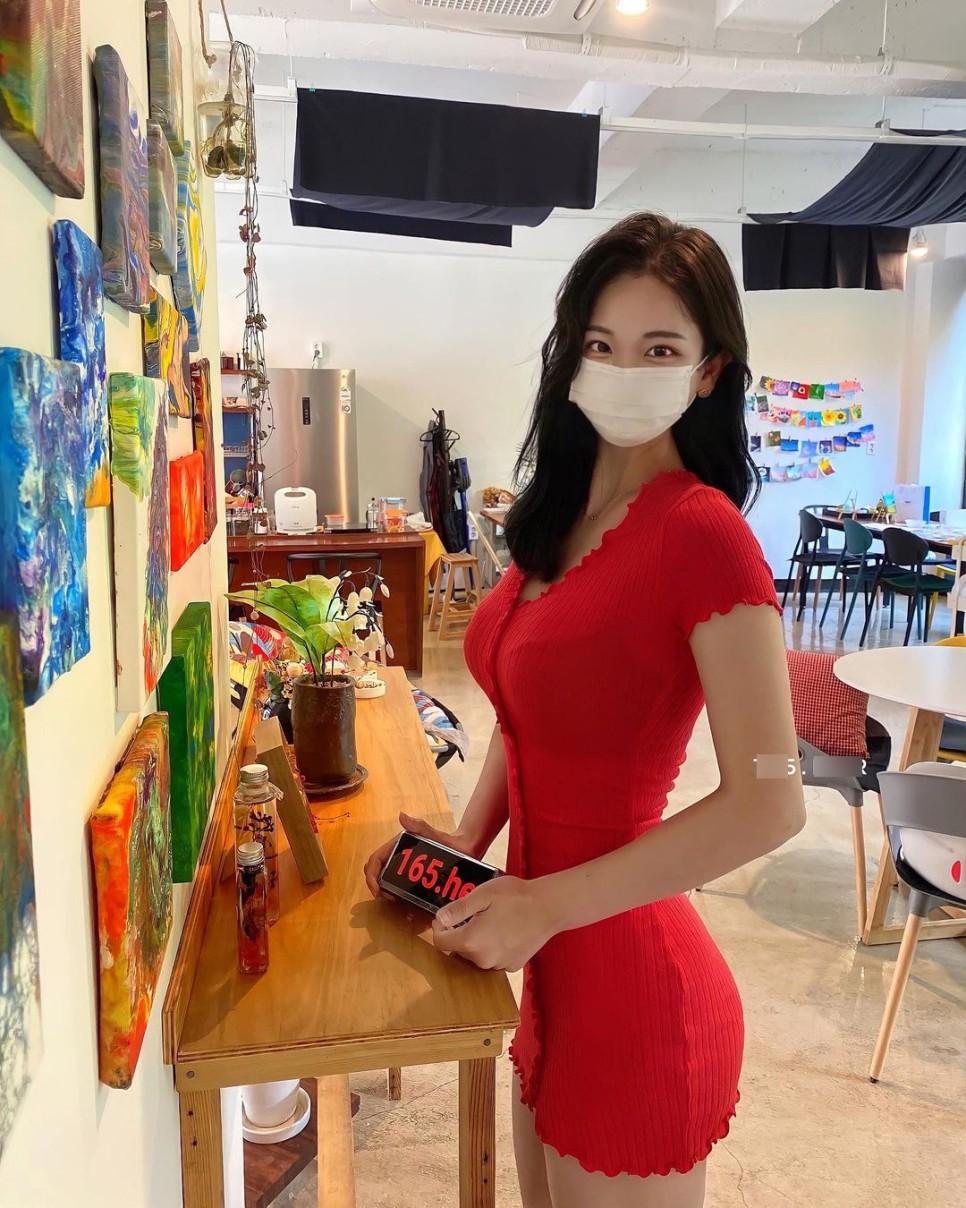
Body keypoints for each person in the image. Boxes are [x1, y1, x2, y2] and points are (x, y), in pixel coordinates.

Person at [365, 213, 805, 1208]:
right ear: (570, 354)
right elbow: (527, 718)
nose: (623, 370)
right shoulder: (556, 522)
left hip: (634, 984)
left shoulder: (703, 535)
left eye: (660, 349)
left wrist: (547, 903)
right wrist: (466, 842)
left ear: (708, 370)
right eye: (602, 344)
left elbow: (770, 804)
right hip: (550, 968)